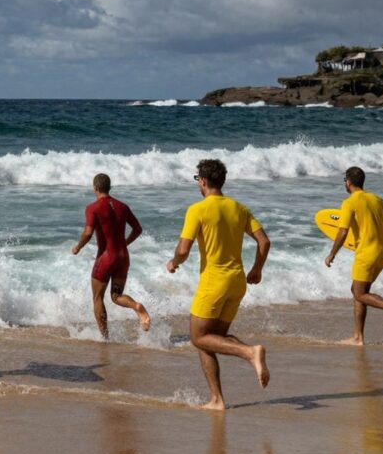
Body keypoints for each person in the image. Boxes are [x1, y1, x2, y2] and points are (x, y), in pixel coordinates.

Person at [166, 159, 270, 411]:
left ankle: (250, 353)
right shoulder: (239, 208)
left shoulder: (198, 210)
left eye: (197, 180)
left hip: (214, 283)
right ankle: (217, 400)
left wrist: (173, 262)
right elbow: (264, 242)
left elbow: (183, 249)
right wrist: (257, 269)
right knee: (212, 339)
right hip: (237, 282)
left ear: (202, 181)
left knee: (198, 337)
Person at [324, 166, 383, 345]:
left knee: (360, 294)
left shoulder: (349, 203)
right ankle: (358, 337)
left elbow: (343, 231)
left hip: (366, 253)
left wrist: (332, 254)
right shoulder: (376, 199)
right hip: (382, 253)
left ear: (348, 182)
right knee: (358, 291)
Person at [72, 173, 151, 339]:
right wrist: (124, 244)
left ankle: (105, 338)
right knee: (116, 296)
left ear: (95, 188)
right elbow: (138, 229)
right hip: (123, 257)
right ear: (109, 187)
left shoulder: (92, 208)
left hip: (106, 258)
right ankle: (137, 307)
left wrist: (78, 247)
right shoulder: (123, 206)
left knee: (97, 298)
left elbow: (88, 233)